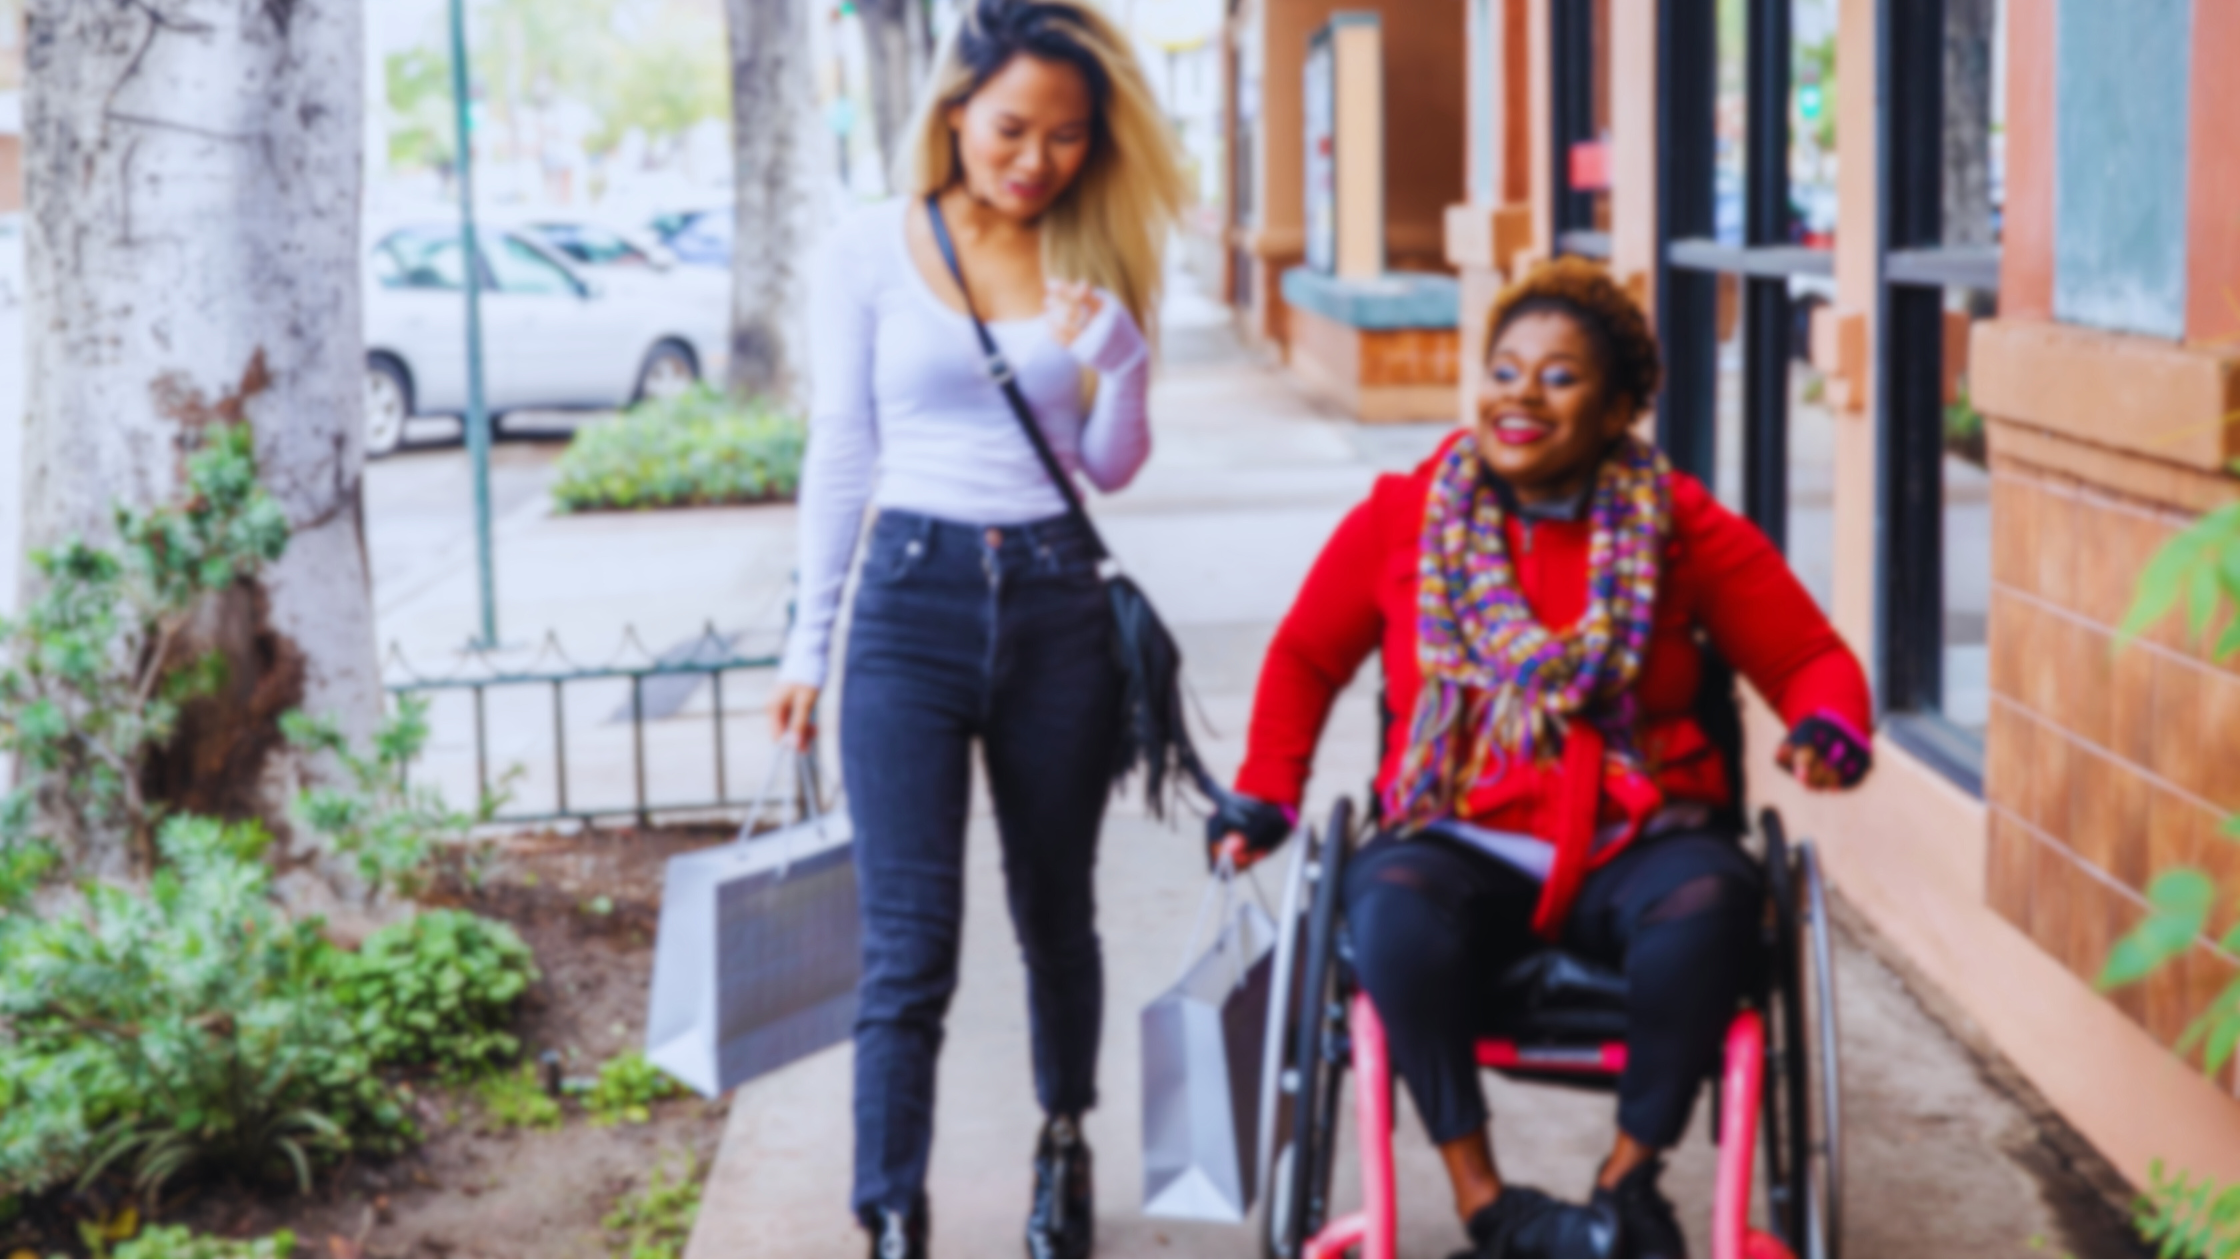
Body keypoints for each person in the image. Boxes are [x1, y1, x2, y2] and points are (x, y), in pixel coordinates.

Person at [1208, 258, 1874, 1260]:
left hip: (1636, 840)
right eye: (1503, 368)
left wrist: (1828, 726)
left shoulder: (1676, 524)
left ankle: (1625, 1188)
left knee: (1714, 904)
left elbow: (1807, 658)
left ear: (1616, 411)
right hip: (1456, 834)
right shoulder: (1403, 517)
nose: (1519, 392)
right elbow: (1305, 655)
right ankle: (1487, 1203)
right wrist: (1264, 791)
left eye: (1558, 376)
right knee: (1383, 904)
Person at [767, 3, 1186, 1257]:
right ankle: (890, 1206)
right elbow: (840, 452)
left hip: (1058, 604)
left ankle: (1061, 1146)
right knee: (907, 942)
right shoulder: (865, 248)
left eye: (1064, 136)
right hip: (909, 603)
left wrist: (1126, 364)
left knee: (1055, 911)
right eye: (1011, 126)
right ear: (954, 111)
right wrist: (805, 645)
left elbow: (1108, 468)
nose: (1033, 159)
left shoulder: (1093, 244)